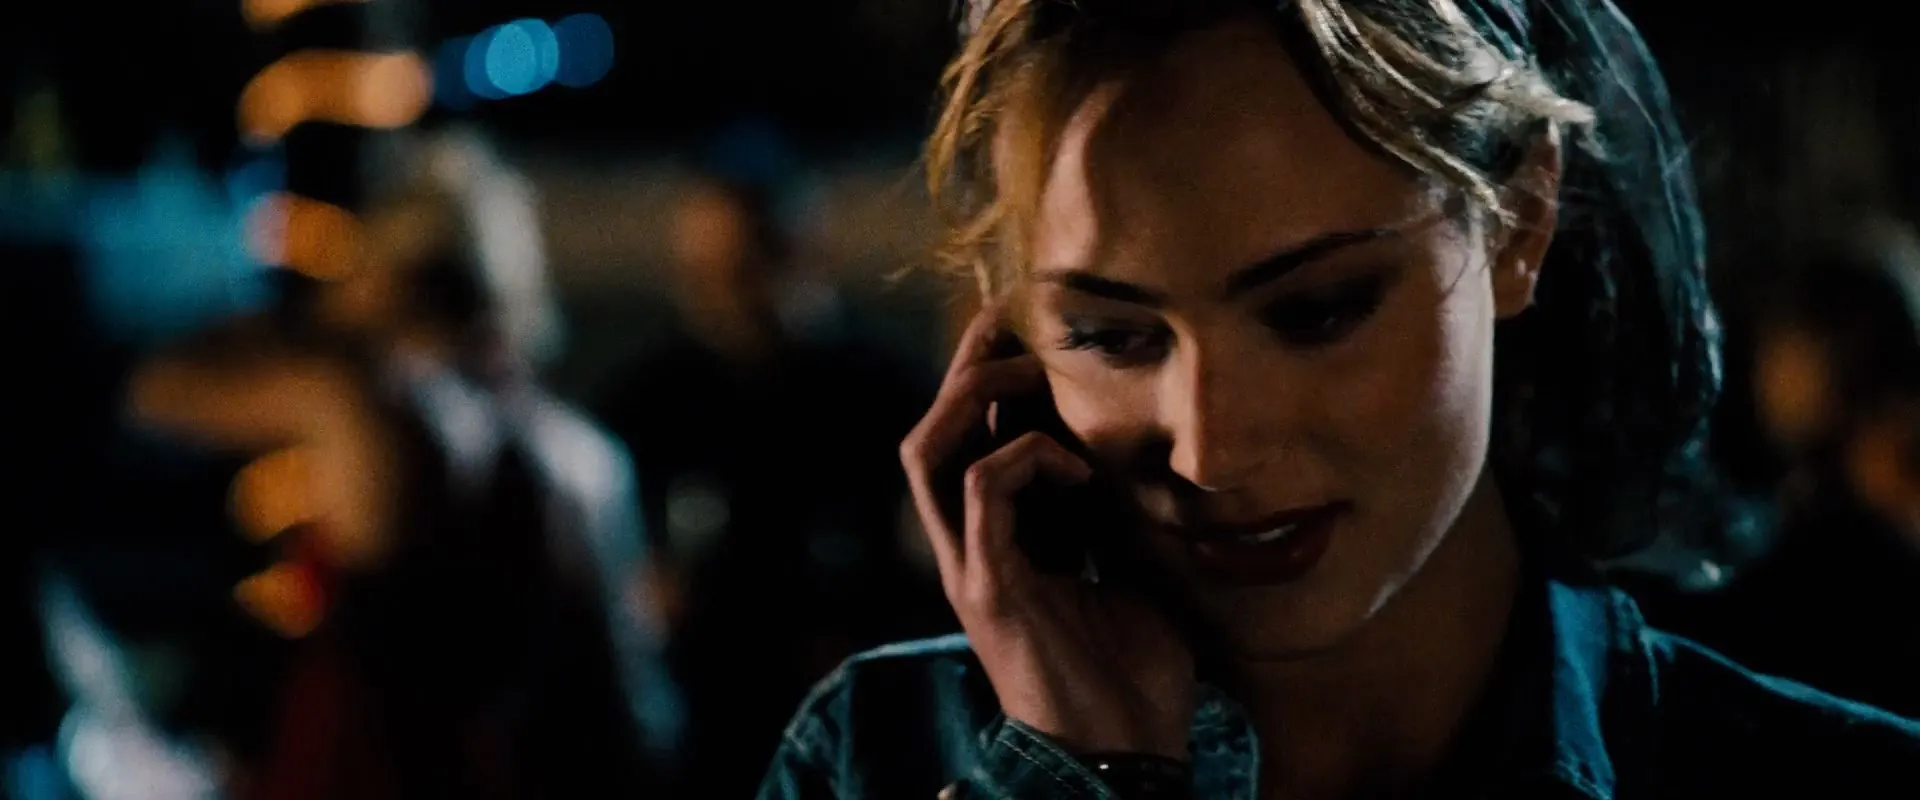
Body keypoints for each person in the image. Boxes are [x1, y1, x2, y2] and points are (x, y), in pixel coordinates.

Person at [757, 1, 1920, 798]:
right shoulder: (877, 760)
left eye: (1317, 311)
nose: (1212, 449)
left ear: (1519, 222)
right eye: (1114, 334)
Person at [595, 168, 948, 797]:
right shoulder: (645, 402)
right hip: (698, 734)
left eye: (745, 268)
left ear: (807, 255)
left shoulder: (892, 399)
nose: (724, 295)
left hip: (851, 733)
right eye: (700, 273)